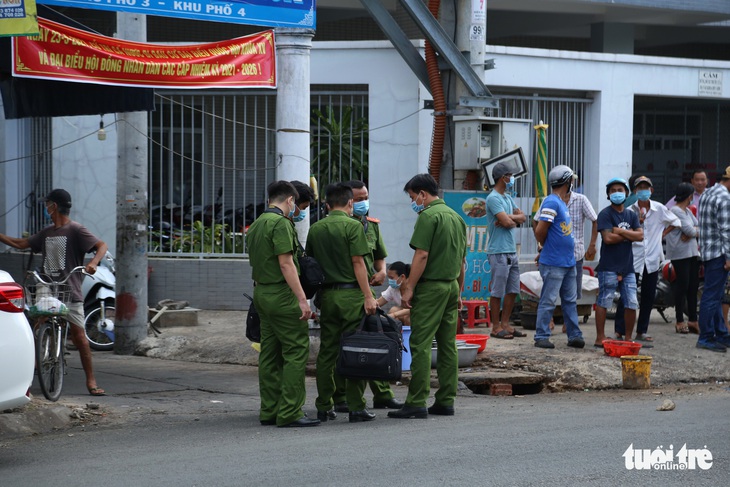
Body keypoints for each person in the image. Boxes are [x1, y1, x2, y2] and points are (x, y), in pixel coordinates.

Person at [0, 189, 107, 396]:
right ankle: (33, 367)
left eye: (47, 203)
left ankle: (91, 380)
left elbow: (101, 245)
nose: (46, 207)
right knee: (37, 325)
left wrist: (93, 263)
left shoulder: (76, 230)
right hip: (47, 286)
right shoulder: (47, 232)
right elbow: (21, 244)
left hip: (69, 287)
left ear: (54, 206)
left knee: (79, 335)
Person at [387, 174, 466, 419]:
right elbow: (463, 262)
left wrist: (409, 286)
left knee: (420, 344)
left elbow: (421, 255)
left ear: (422, 194)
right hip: (451, 286)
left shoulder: (428, 216)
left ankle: (417, 400)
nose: (414, 202)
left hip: (431, 288)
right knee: (447, 345)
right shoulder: (457, 218)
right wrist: (460, 291)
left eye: (413, 197)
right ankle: (445, 400)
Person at [246, 181, 319, 427]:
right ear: (290, 200)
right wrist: (302, 300)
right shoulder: (280, 224)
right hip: (282, 295)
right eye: (295, 205)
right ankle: (290, 412)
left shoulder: (256, 224)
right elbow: (286, 264)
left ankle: (269, 410)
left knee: (269, 353)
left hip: (262, 293)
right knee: (295, 352)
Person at [306, 183, 379, 422]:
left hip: (327, 296)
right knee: (356, 350)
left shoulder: (316, 229)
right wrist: (369, 296)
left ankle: (324, 405)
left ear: (327, 204)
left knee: (327, 353)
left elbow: (312, 267)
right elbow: (359, 263)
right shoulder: (353, 226)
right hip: (351, 297)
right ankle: (357, 406)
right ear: (350, 203)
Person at [329, 180, 402, 412]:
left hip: (368, 292)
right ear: (348, 201)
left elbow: (379, 256)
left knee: (374, 341)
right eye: (358, 199)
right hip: (345, 291)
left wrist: (381, 272)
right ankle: (340, 397)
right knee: (343, 345)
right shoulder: (339, 225)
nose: (363, 203)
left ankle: (382, 394)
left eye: (365, 197)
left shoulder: (371, 225)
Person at [614, 176, 680, 343]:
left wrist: (662, 234)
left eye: (646, 188)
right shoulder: (629, 210)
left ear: (651, 190)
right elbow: (623, 232)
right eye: (640, 188)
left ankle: (641, 330)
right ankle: (619, 330)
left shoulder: (659, 209)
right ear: (635, 191)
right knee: (627, 294)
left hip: (651, 257)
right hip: (634, 257)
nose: (643, 191)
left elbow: (676, 221)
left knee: (648, 295)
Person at [532, 172, 598, 332]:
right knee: (549, 298)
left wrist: (592, 245)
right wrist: (543, 245)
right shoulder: (552, 202)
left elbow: (594, 220)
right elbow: (539, 228)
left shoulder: (572, 200)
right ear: (567, 181)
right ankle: (543, 333)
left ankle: (573, 333)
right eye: (571, 180)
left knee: (570, 298)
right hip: (555, 260)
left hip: (572, 258)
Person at [594, 178, 644, 348]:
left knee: (631, 302)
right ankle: (600, 337)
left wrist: (620, 231)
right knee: (604, 301)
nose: (617, 193)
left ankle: (628, 338)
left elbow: (640, 236)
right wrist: (629, 233)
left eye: (620, 190)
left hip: (628, 267)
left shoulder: (631, 215)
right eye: (613, 190)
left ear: (626, 193)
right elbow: (607, 238)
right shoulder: (605, 214)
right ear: (608, 194)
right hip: (608, 266)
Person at [485, 162, 528, 340]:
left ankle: (506, 324)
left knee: (512, 289)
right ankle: (495, 327)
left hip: (511, 250)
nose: (512, 178)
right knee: (497, 290)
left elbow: (523, 218)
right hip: (498, 251)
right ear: (503, 177)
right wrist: (509, 219)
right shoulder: (493, 198)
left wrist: (507, 216)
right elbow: (510, 223)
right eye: (510, 175)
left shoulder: (508, 198)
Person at [696, 166, 730, 352]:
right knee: (711, 296)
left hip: (708, 252)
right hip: (719, 253)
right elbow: (726, 231)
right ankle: (706, 337)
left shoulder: (707, 194)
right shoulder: (724, 198)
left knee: (715, 295)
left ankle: (721, 333)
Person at [665, 182, 701, 335]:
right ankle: (679, 320)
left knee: (693, 287)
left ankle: (693, 319)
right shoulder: (676, 210)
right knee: (682, 286)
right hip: (680, 254)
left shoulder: (686, 211)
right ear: (688, 196)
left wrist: (693, 231)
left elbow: (699, 227)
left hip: (692, 253)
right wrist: (693, 232)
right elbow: (690, 231)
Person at [376, 261, 411, 326]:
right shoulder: (393, 289)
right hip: (405, 313)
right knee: (393, 310)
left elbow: (414, 309)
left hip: (419, 314)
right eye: (389, 278)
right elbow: (378, 302)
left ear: (402, 277)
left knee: (407, 318)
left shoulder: (412, 287)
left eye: (392, 278)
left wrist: (394, 315)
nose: (390, 280)